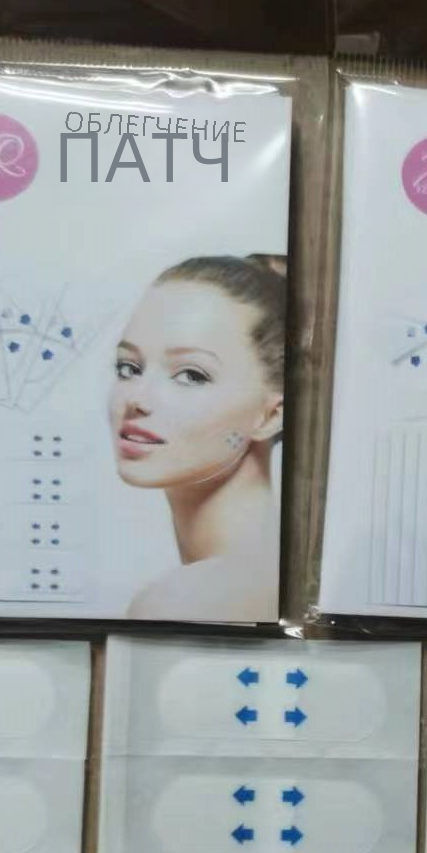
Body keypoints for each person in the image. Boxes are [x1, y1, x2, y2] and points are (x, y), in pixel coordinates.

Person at [110, 254, 287, 620]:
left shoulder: (182, 603)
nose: (137, 399)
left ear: (272, 415)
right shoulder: (273, 572)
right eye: (129, 368)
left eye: (191, 375)